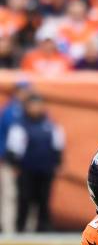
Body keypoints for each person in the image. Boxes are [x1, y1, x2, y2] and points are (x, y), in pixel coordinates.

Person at [5, 93, 64, 232]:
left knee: (43, 200)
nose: (36, 108)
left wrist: (57, 164)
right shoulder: (20, 126)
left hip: (45, 169)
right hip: (26, 170)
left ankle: (42, 229)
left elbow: (57, 146)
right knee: (24, 199)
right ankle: (20, 229)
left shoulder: (50, 126)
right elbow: (13, 149)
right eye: (33, 105)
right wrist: (15, 165)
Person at [0, 81, 31, 233]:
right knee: (10, 195)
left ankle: (23, 228)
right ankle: (9, 229)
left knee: (26, 195)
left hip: (25, 161)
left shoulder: (27, 109)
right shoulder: (12, 111)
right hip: (10, 160)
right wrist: (11, 159)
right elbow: (12, 138)